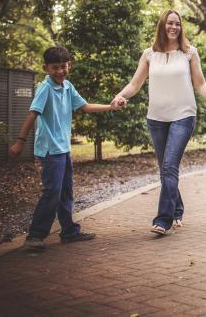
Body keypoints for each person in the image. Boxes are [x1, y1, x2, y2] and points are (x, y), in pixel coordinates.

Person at [112, 10, 206, 235]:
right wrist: (120, 95)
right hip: (156, 118)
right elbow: (135, 84)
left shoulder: (189, 53)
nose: (174, 27)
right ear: (162, 26)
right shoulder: (149, 54)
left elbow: (200, 84)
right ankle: (177, 208)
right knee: (165, 169)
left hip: (183, 115)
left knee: (170, 166)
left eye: (178, 24)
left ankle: (163, 219)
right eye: (170, 23)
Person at [8, 46, 122, 249]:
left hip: (63, 149)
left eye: (64, 66)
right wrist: (20, 141)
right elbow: (32, 114)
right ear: (46, 68)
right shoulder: (45, 88)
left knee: (66, 191)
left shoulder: (68, 87)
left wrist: (111, 106)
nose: (60, 71)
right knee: (52, 192)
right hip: (50, 150)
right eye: (55, 68)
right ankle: (35, 236)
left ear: (69, 65)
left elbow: (85, 107)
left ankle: (69, 231)